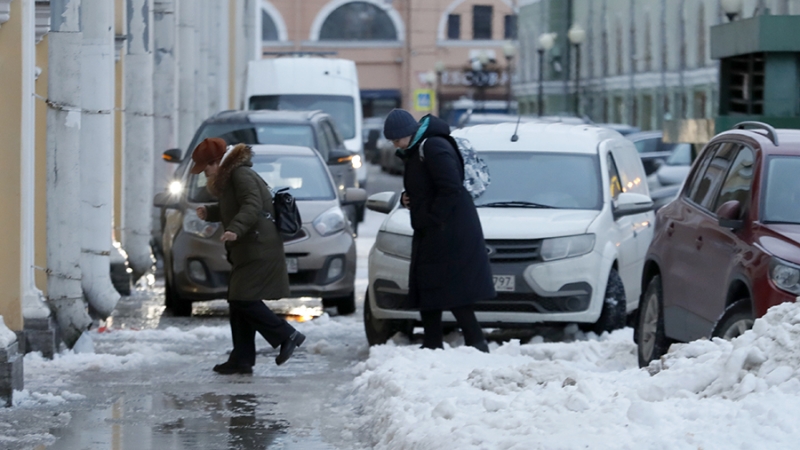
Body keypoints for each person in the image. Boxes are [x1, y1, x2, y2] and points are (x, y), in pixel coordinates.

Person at [383, 109, 495, 352]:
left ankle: (476, 344)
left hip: (448, 229)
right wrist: (407, 199)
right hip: (433, 228)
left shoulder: (432, 147)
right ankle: (433, 343)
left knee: (453, 290)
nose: (393, 144)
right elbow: (425, 185)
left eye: (395, 138)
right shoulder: (416, 150)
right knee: (429, 286)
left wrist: (434, 216)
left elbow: (450, 186)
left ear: (407, 133)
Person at [191, 138, 306, 374]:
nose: (205, 174)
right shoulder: (231, 176)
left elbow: (252, 205)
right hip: (250, 246)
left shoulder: (240, 174)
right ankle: (242, 358)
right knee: (238, 299)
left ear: (216, 162)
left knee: (244, 299)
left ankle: (287, 335)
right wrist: (210, 212)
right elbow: (234, 205)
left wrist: (236, 228)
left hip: (258, 245)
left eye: (206, 168)